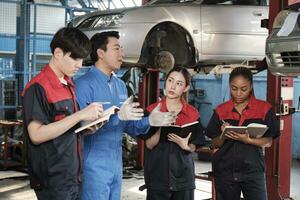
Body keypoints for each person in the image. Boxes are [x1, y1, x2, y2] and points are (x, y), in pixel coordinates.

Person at [75, 31, 176, 200]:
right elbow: (81, 128)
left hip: (116, 164)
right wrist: (117, 117)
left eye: (121, 49)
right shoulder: (83, 85)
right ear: (100, 53)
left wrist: (149, 121)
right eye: (116, 49)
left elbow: (129, 126)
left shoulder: (120, 86)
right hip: (92, 164)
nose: (122, 54)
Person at [22, 27, 104, 200]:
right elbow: (36, 134)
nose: (79, 65)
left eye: (81, 59)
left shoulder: (68, 83)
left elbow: (64, 127)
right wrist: (80, 115)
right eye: (75, 58)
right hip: (53, 181)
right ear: (58, 53)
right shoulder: (38, 87)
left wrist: (87, 128)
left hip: (73, 176)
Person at [205, 67, 280, 200]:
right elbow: (213, 143)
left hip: (253, 172)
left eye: (243, 89)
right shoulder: (221, 110)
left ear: (251, 86)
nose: (238, 93)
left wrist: (249, 140)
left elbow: (268, 141)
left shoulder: (264, 109)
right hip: (225, 172)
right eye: (234, 88)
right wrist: (223, 135)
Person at [141, 66, 205, 200]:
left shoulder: (192, 113)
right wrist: (160, 127)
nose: (173, 86)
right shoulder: (152, 110)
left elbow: (197, 142)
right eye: (170, 80)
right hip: (157, 178)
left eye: (179, 83)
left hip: (183, 179)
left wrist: (187, 146)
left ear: (186, 88)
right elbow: (149, 145)